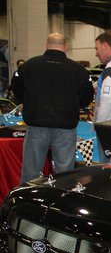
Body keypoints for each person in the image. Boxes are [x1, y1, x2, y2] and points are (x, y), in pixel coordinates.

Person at [12, 33, 93, 184]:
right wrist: (73, 105)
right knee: (65, 175)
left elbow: (16, 89)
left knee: (31, 173)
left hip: (37, 125)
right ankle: (62, 196)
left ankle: (27, 198)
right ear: (66, 46)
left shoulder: (29, 66)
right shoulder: (78, 70)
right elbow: (87, 97)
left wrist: (31, 103)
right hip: (65, 126)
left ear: (46, 45)